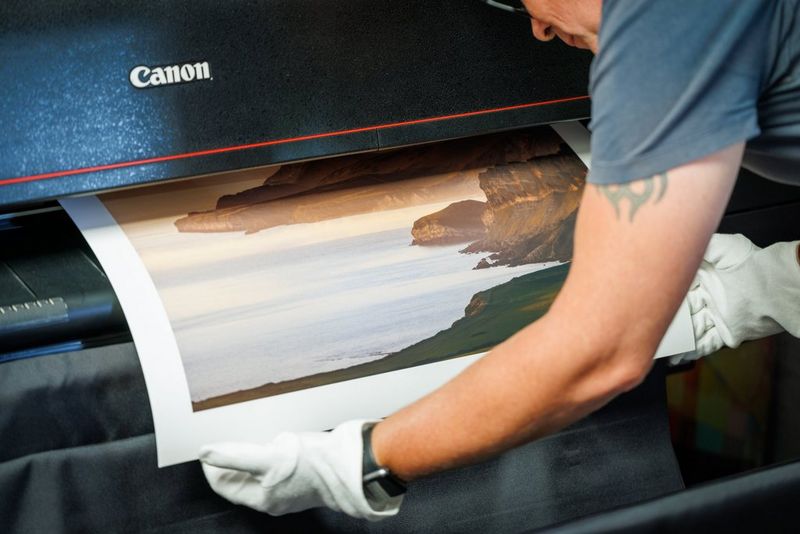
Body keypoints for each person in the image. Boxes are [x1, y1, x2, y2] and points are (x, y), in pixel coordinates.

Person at [199, 0, 800, 520]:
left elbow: (600, 354)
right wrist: (760, 289)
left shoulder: (661, 30)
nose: (537, 28)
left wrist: (360, 464)